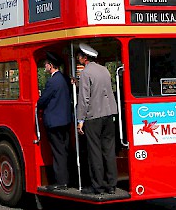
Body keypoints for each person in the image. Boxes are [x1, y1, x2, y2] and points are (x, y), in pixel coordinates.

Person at [75, 43, 118, 195]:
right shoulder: (104, 69)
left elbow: (84, 99)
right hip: (109, 114)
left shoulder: (86, 73)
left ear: (85, 58)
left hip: (94, 116)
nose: (78, 59)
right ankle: (111, 184)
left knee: (95, 152)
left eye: (79, 57)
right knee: (109, 150)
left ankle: (97, 186)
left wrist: (80, 120)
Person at [37, 52, 72, 190]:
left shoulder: (52, 81)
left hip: (54, 122)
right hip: (65, 120)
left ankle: (61, 181)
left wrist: (39, 102)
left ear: (51, 66)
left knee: (58, 152)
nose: (45, 66)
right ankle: (68, 179)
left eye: (46, 64)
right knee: (64, 150)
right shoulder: (64, 79)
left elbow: (43, 101)